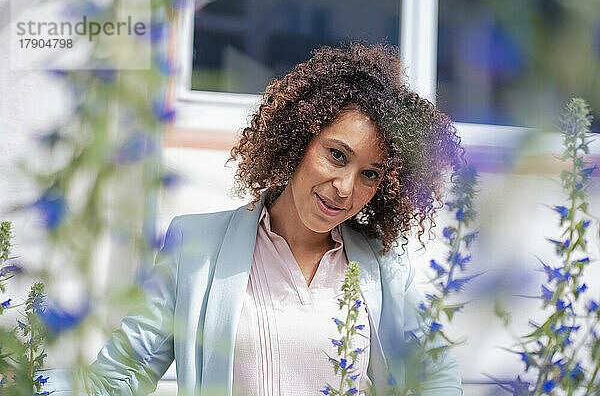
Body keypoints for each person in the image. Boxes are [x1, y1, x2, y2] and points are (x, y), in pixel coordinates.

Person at [50, 43, 464, 396]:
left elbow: (438, 374)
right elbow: (120, 375)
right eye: (336, 155)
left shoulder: (384, 265)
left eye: (369, 174)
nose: (345, 187)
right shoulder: (195, 246)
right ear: (298, 141)